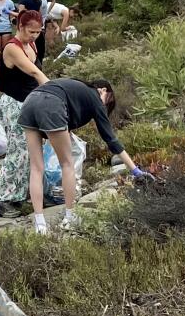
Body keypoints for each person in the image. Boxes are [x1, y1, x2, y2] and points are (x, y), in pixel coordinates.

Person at [19, 78, 155, 234]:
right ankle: (70, 217)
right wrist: (135, 171)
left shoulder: (76, 89)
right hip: (51, 104)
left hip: (30, 102)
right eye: (109, 99)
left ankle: (40, 224)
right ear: (103, 90)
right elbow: (110, 139)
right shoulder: (95, 96)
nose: (105, 105)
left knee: (36, 168)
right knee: (67, 165)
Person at [0, 10, 47, 209]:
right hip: (15, 104)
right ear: (20, 27)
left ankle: (27, 192)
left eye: (38, 32)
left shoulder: (31, 44)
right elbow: (34, 71)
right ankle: (5, 198)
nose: (34, 35)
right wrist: (55, 92)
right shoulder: (12, 48)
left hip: (32, 101)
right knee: (19, 149)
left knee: (34, 150)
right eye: (31, 31)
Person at [16, 0, 47, 65]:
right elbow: (39, 14)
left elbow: (20, 15)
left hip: (27, 28)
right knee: (38, 50)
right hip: (37, 27)